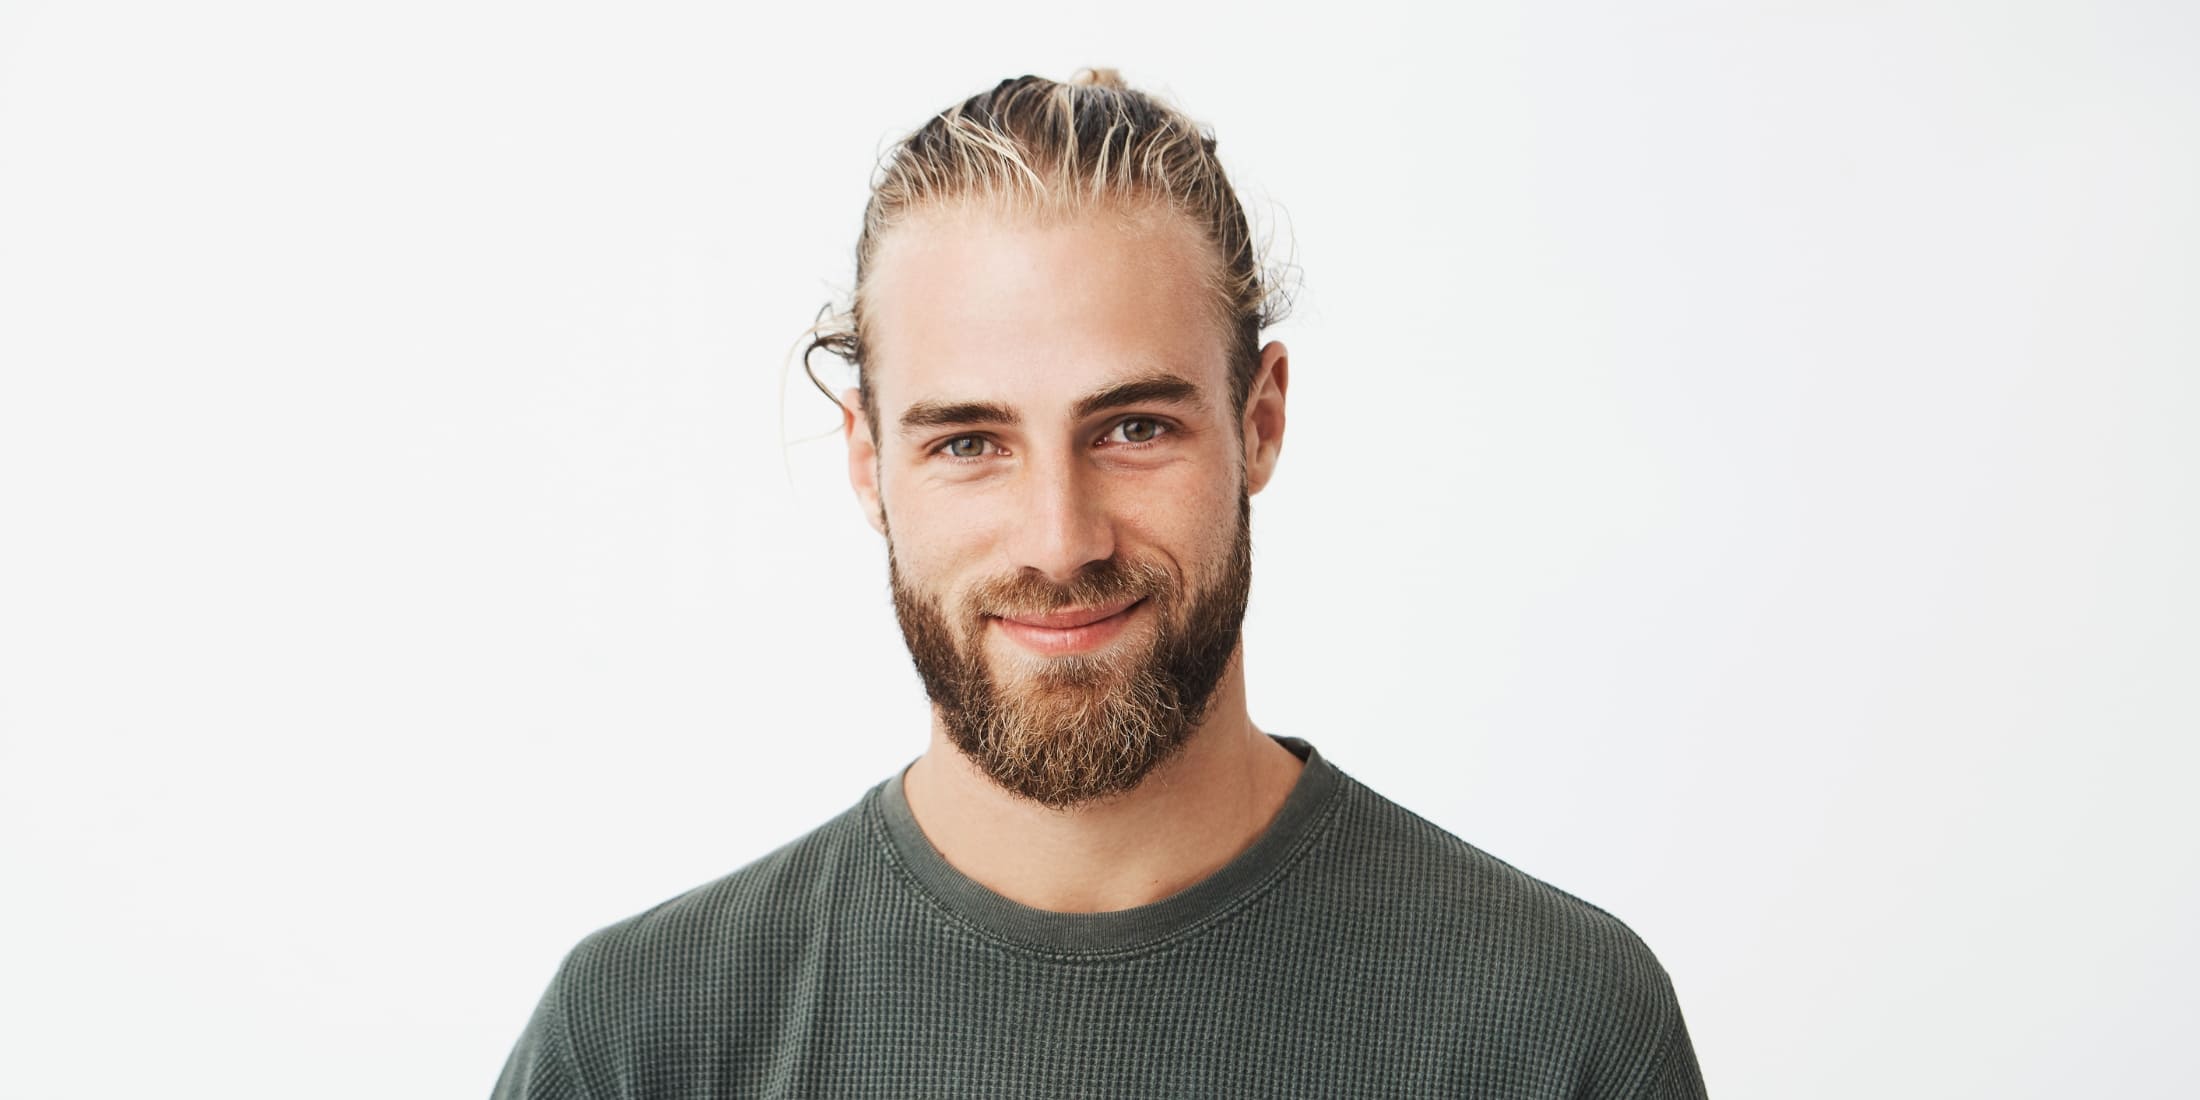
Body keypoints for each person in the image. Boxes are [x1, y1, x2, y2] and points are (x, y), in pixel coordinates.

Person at [491, 69, 1706, 1099]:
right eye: (967, 441)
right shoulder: (640, 1041)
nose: (1060, 540)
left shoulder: (1555, 1028)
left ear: (1260, 419)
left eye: (1131, 427)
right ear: (869, 462)